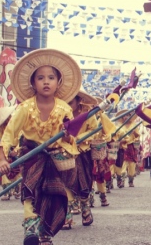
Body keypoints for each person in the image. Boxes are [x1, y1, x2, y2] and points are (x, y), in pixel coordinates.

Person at [0, 49, 82, 245]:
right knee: (29, 193)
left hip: (55, 161)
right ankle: (30, 231)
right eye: (41, 78)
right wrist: (2, 158)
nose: (46, 81)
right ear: (33, 83)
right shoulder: (24, 108)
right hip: (31, 157)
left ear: (58, 82)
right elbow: (9, 134)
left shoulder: (64, 108)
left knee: (52, 196)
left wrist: (68, 135)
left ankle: (45, 234)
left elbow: (71, 140)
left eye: (51, 77)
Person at [63, 87, 100, 230]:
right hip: (64, 152)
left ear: (79, 101)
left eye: (71, 102)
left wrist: (79, 138)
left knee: (84, 182)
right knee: (65, 183)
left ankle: (85, 209)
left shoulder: (88, 114)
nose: (68, 105)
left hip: (82, 152)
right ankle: (67, 216)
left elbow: (94, 130)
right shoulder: (60, 113)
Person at [0, 105, 20, 201]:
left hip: (17, 150)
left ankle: (17, 190)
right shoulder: (1, 128)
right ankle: (7, 192)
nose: (8, 120)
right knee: (4, 171)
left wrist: (16, 151)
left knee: (18, 171)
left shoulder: (17, 125)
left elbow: (22, 139)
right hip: (5, 151)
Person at [114, 111, 140, 187]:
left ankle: (131, 181)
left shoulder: (134, 125)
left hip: (131, 146)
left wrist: (134, 133)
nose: (126, 117)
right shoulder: (119, 126)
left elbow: (138, 136)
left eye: (128, 115)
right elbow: (116, 136)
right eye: (124, 116)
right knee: (122, 163)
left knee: (132, 164)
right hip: (122, 146)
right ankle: (121, 180)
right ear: (122, 117)